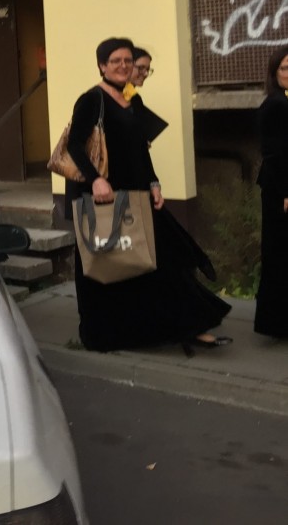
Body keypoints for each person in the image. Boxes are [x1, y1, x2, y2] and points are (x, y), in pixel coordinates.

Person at [66, 37, 230, 353]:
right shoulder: (91, 100)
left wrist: (154, 183)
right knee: (106, 263)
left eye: (128, 61)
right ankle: (104, 334)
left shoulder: (134, 100)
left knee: (164, 257)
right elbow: (75, 145)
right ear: (102, 65)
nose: (123, 66)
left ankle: (187, 326)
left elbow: (141, 148)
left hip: (139, 192)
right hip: (106, 195)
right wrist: (96, 180)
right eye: (116, 61)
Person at [256, 45, 288, 339]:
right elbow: (274, 154)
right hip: (281, 189)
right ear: (274, 73)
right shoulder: (275, 105)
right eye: (286, 68)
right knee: (280, 255)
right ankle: (276, 322)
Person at [126, 46, 167, 143]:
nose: (145, 74)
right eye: (141, 68)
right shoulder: (114, 95)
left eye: (148, 69)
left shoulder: (134, 97)